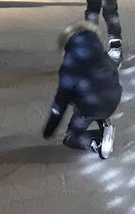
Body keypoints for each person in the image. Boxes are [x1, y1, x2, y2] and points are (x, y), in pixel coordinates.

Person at [41, 21, 121, 159]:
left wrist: (49, 130)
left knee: (70, 138)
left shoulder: (69, 68)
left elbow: (60, 103)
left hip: (90, 107)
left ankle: (97, 142)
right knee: (91, 91)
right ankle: (103, 121)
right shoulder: (103, 55)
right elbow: (114, 76)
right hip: (113, 99)